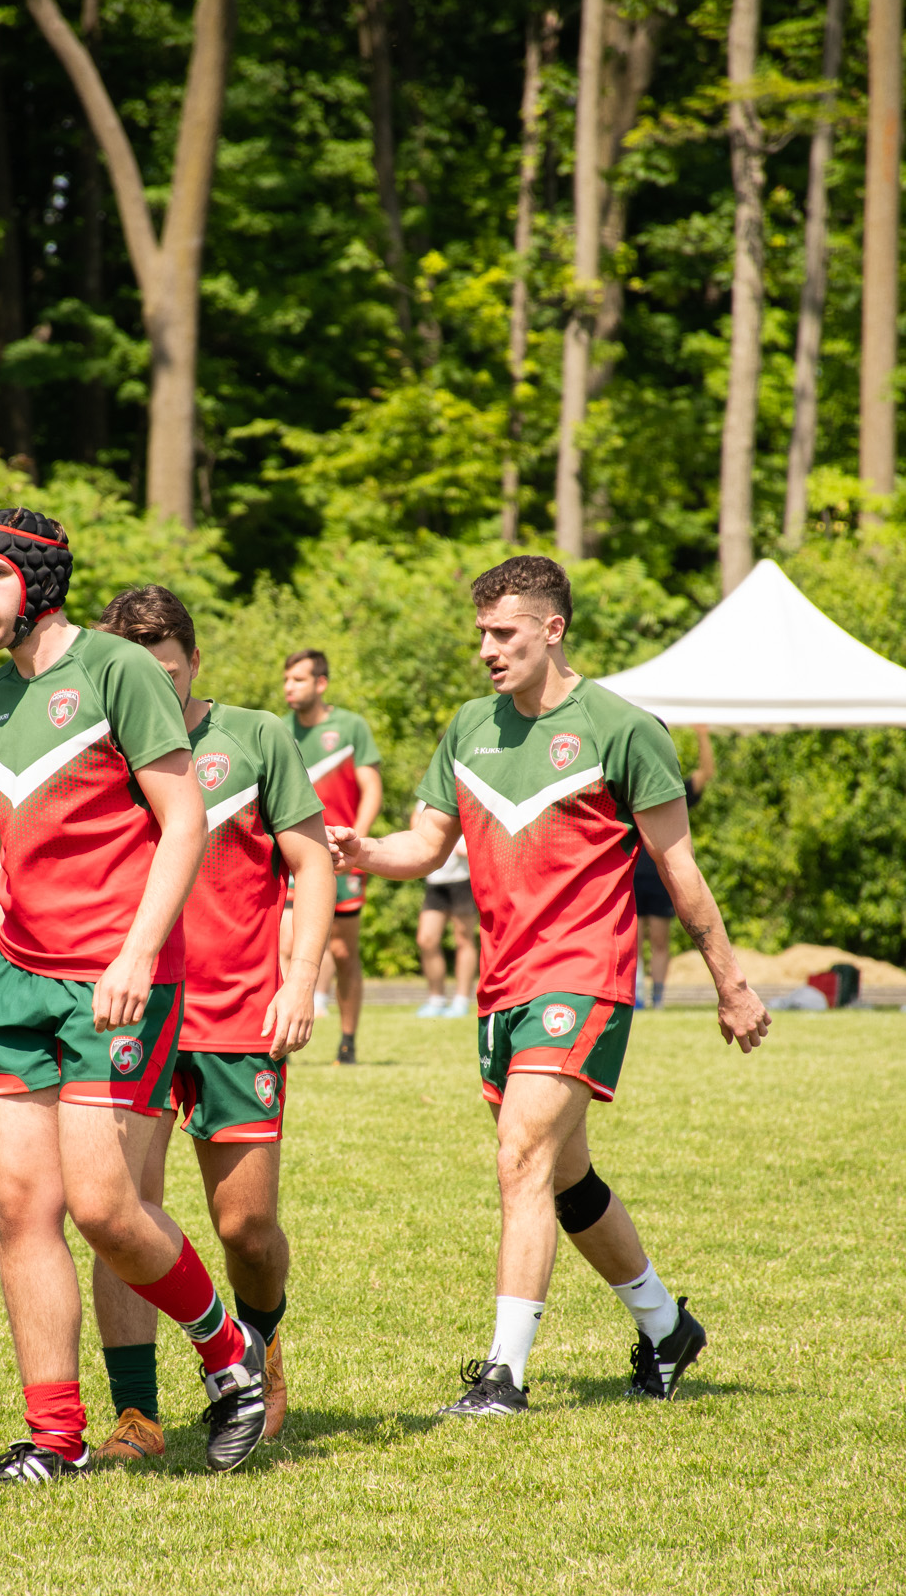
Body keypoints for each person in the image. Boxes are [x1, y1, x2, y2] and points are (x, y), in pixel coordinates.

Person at [329, 554, 769, 1416]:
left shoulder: (621, 727)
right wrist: (365, 851)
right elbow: (424, 846)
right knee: (565, 1177)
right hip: (503, 984)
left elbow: (676, 868)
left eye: (504, 633)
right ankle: (666, 1326)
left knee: (520, 1157)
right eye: (481, 634)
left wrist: (731, 984)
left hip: (584, 975)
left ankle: (502, 1375)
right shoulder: (469, 727)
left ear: (551, 629)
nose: (487, 650)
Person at [0, 508, 270, 1485]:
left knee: (103, 1204)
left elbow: (184, 820)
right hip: (18, 977)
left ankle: (229, 1354)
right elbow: (6, 859)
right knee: (21, 1208)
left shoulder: (118, 671)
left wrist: (138, 951)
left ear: (39, 580)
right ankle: (52, 1436)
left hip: (119, 975)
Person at [84, 586, 335, 1460]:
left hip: (237, 1011)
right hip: (128, 1008)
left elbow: (309, 859)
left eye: (165, 671)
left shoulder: (257, 736)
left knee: (245, 1229)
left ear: (193, 662)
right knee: (121, 1209)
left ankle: (257, 1361)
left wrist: (299, 981)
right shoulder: (92, 746)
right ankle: (135, 1413)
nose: (147, 691)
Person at [280, 649, 382, 1064]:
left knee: (342, 953)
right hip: (296, 859)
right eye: (287, 679)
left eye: (299, 680)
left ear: (321, 684)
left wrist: (357, 845)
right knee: (285, 945)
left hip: (342, 856)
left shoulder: (350, 727)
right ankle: (282, 1038)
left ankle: (347, 1042)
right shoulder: (278, 730)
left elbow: (371, 788)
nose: (290, 687)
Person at [635, 726, 714, 1006]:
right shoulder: (628, 789)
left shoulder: (674, 792)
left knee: (658, 941)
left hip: (659, 877)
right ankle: (633, 998)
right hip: (629, 876)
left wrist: (702, 735)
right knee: (629, 944)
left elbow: (705, 773)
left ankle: (656, 1000)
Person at [414, 807, 477, 1019]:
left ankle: (461, 1000)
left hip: (463, 878)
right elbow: (416, 829)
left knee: (463, 938)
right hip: (435, 880)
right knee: (426, 939)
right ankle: (436, 999)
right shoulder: (425, 798)